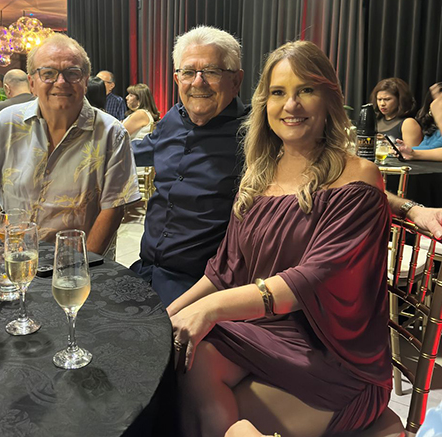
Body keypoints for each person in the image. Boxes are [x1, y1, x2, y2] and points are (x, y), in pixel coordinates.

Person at [168, 40, 391, 437]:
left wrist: (212, 309)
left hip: (335, 356)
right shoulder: (260, 175)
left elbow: (308, 282)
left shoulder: (359, 178)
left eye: (306, 90)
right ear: (264, 103)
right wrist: (165, 318)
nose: (291, 104)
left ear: (329, 100)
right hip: (265, 333)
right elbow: (224, 271)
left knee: (194, 404)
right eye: (278, 92)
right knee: (183, 353)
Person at [0, 33, 140, 254]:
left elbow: (113, 210)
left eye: (72, 73)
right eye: (48, 73)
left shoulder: (112, 134)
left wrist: (82, 266)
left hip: (79, 262)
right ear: (32, 83)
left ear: (85, 82)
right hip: (15, 259)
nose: (61, 82)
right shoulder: (6, 123)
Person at [129, 26, 247, 305]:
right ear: (177, 79)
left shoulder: (253, 135)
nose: (198, 82)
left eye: (212, 72)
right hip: (144, 271)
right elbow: (137, 152)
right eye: (189, 72)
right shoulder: (173, 118)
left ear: (236, 80)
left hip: (201, 288)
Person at [371, 77, 423, 147]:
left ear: (400, 100)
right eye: (379, 99)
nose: (382, 104)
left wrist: (386, 144)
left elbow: (412, 152)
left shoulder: (408, 123)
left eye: (387, 99)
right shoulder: (375, 121)